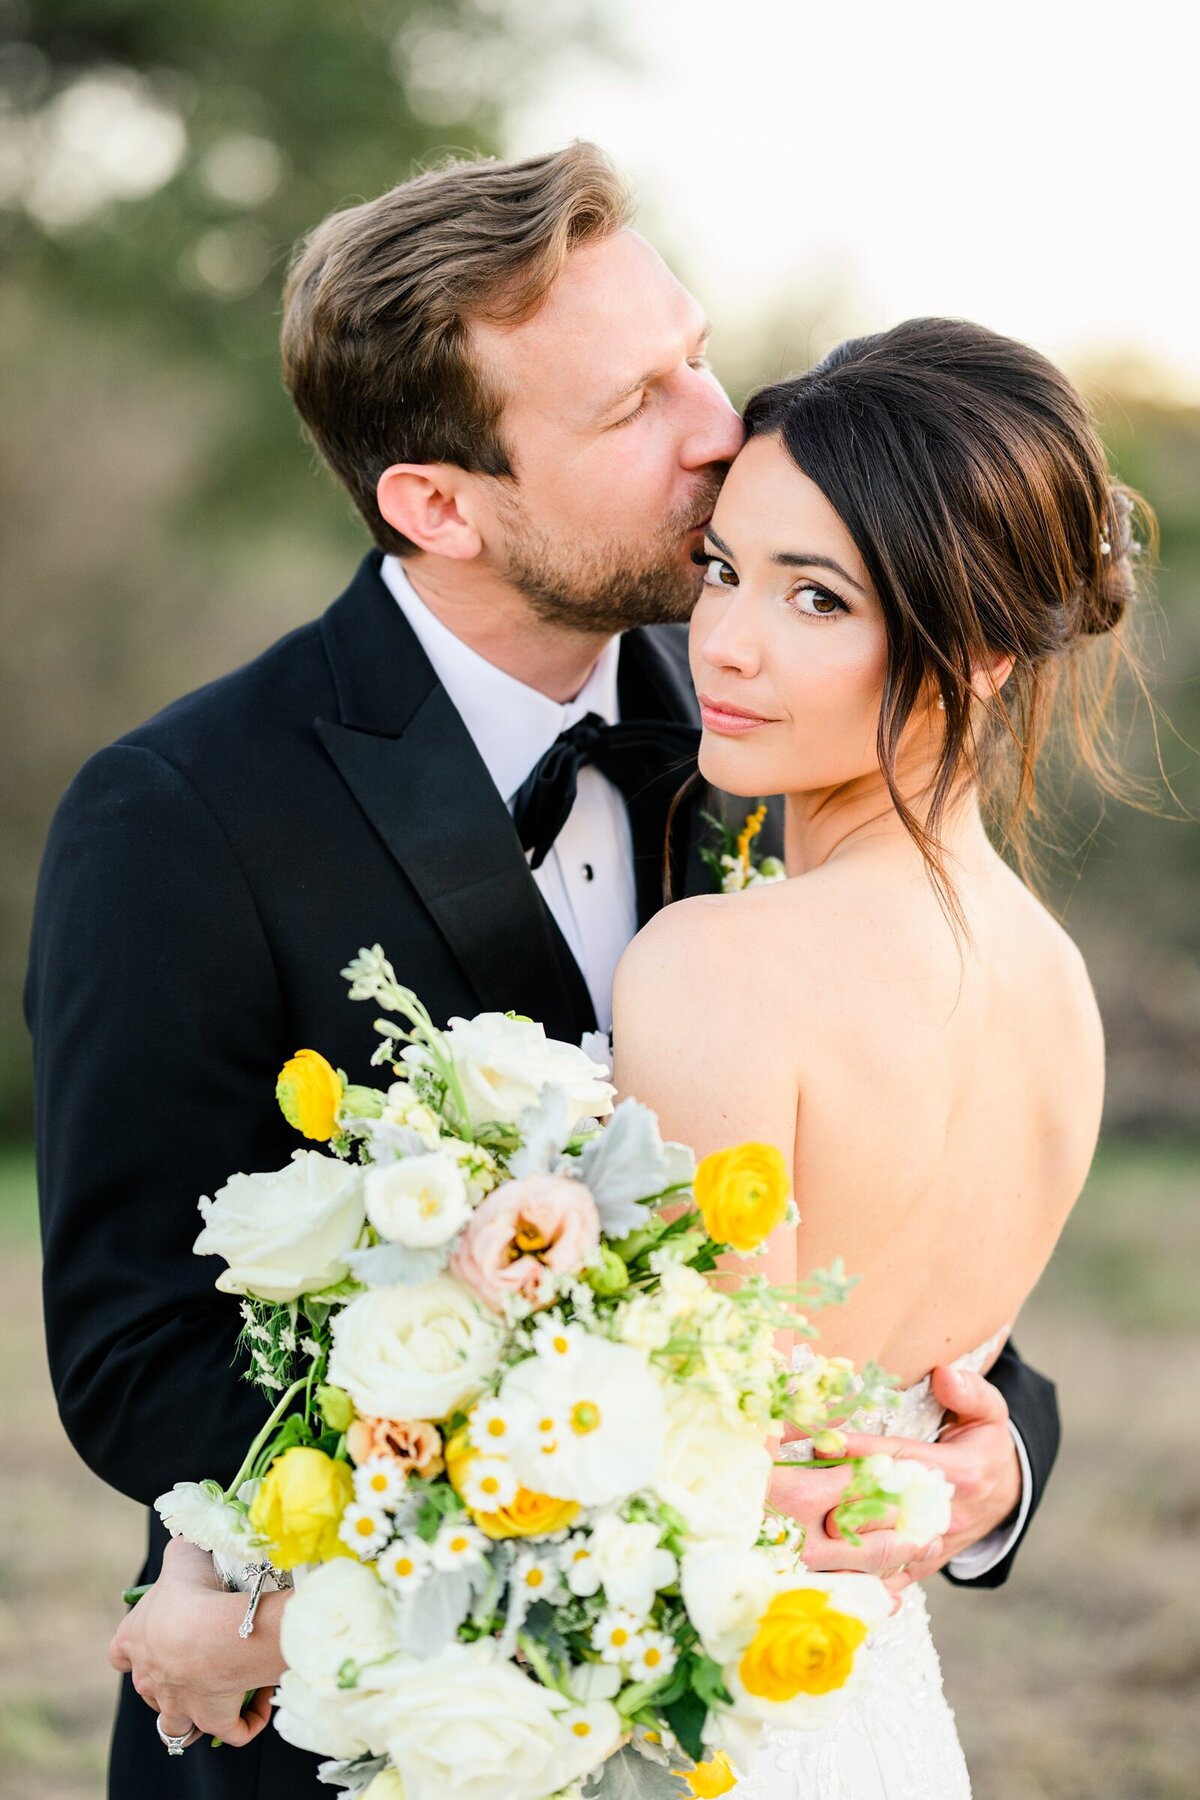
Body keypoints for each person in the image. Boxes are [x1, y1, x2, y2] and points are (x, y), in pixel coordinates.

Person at [26, 147, 1058, 1800]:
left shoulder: (776, 714)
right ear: (438, 502)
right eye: (633, 403)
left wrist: (988, 1472)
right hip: (351, 1746)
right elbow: (135, 1357)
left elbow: (870, 1220)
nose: (720, 426)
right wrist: (337, 1582)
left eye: (696, 351)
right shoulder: (185, 816)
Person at [611, 316, 1149, 1796]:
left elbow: (690, 1471)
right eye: (724, 567)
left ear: (975, 649)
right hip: (873, 1713)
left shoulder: (722, 965)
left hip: (692, 1718)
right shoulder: (1060, 987)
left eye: (817, 598)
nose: (723, 637)